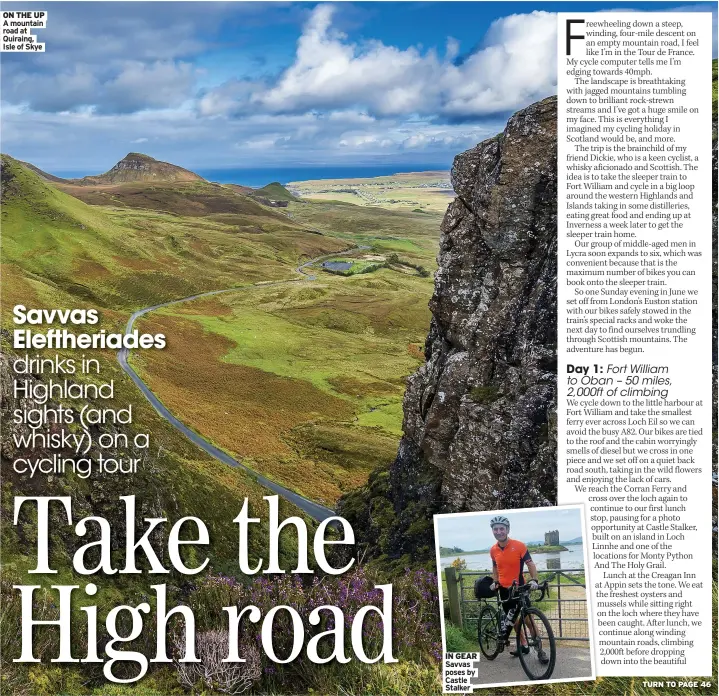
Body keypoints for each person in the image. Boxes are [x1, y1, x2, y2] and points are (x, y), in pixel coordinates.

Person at [488, 515, 541, 658]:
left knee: (529, 620)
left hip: (519, 589)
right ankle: (523, 646)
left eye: (502, 529)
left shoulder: (519, 546)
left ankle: (539, 649)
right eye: (495, 529)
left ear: (507, 529)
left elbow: (530, 564)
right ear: (492, 531)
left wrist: (534, 580)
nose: (499, 532)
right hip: (504, 591)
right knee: (514, 621)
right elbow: (495, 567)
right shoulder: (493, 550)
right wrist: (495, 581)